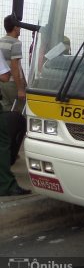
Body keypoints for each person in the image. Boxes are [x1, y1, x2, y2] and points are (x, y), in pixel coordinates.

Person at [0, 50, 31, 196]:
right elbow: (5, 76)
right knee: (3, 142)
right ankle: (6, 185)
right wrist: (20, 86)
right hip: (11, 88)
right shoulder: (15, 46)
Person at [0, 14, 26, 112]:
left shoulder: (1, 41)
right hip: (13, 83)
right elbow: (15, 66)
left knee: (7, 110)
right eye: (19, 26)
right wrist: (20, 88)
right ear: (15, 27)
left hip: (2, 83)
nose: (20, 29)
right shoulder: (16, 43)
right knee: (20, 112)